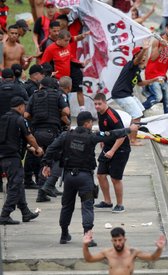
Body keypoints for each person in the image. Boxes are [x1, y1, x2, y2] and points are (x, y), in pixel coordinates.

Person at [41, 112, 139, 245]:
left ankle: (64, 235)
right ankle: (88, 238)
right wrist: (129, 130)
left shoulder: (66, 135)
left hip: (69, 178)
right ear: (87, 123)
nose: (92, 125)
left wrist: (46, 164)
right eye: (91, 123)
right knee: (87, 206)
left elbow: (51, 148)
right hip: (85, 178)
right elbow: (113, 134)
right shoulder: (92, 136)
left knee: (66, 206)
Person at [25, 77, 69, 202]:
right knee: (58, 160)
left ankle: (41, 194)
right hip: (52, 133)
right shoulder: (58, 95)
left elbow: (26, 115)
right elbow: (66, 111)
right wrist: (58, 112)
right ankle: (49, 184)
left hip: (37, 133)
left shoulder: (34, 96)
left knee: (43, 162)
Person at [0, 96, 44, 224]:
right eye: (24, 106)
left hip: (3, 157)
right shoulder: (20, 119)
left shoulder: (3, 118)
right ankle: (5, 214)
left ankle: (25, 212)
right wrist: (38, 148)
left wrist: (30, 148)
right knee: (15, 186)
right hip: (13, 158)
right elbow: (29, 137)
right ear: (20, 107)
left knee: (18, 185)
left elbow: (12, 138)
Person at [111, 43, 158, 145]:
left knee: (140, 110)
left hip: (126, 94)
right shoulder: (131, 65)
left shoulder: (137, 69)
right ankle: (133, 140)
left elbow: (140, 83)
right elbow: (137, 59)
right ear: (136, 56)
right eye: (142, 55)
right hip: (121, 94)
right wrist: (144, 50)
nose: (144, 57)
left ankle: (130, 135)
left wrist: (154, 80)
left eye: (145, 56)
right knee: (136, 115)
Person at [93, 93, 130, 213]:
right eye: (95, 104)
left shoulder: (112, 116)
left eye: (99, 104)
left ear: (105, 103)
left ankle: (120, 204)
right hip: (108, 146)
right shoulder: (100, 113)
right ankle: (107, 201)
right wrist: (103, 141)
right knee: (100, 175)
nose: (97, 106)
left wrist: (112, 151)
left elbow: (122, 135)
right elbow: (104, 130)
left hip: (120, 149)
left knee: (115, 178)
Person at [83, 227, 165, 275]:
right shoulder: (107, 253)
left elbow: (153, 257)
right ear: (112, 241)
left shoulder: (133, 252)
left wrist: (159, 248)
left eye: (120, 240)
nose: (118, 243)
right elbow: (89, 259)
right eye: (115, 240)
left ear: (125, 239)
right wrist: (85, 245)